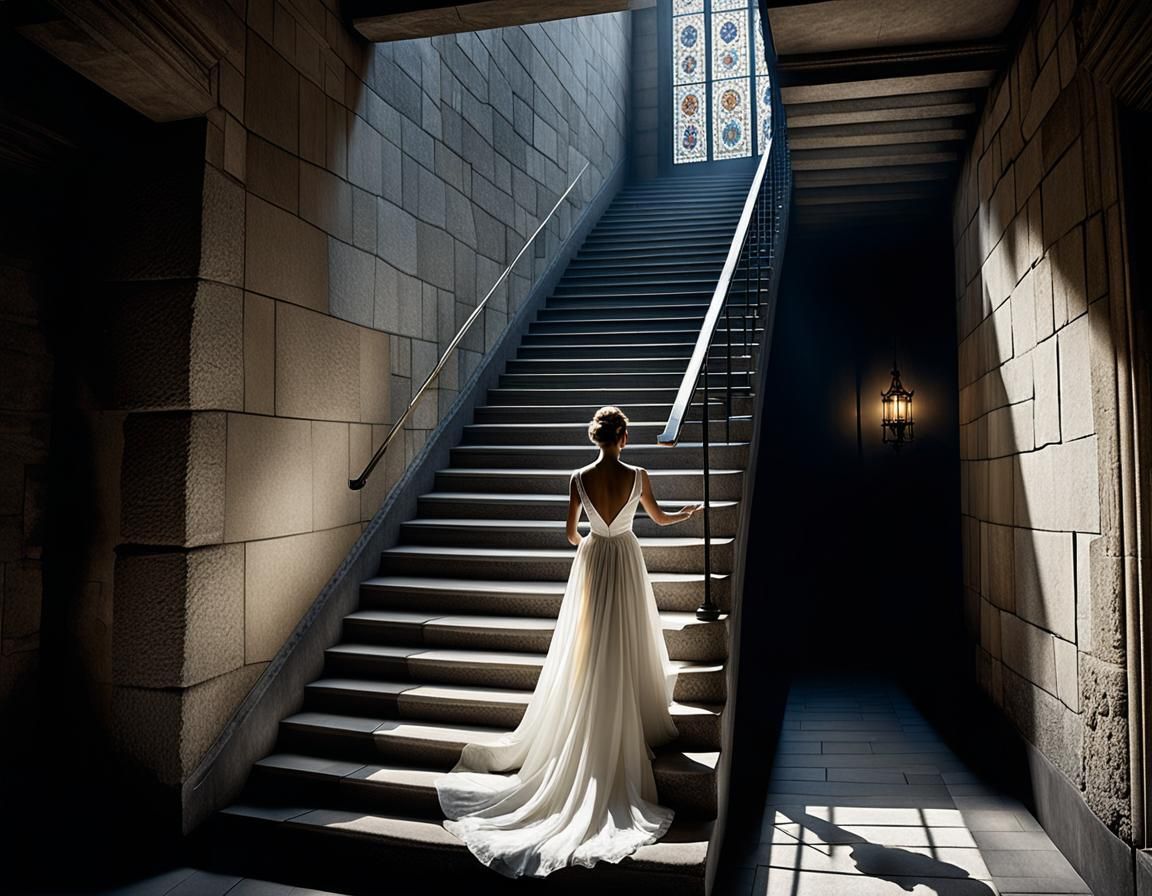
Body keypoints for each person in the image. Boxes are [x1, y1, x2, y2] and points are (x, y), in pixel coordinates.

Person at [434, 405, 705, 878]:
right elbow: (657, 520)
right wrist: (683, 514)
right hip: (624, 559)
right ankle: (627, 716)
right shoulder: (639, 475)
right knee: (626, 637)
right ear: (623, 438)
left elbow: (569, 533)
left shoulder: (577, 477)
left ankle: (593, 711)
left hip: (595, 562)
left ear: (596, 438)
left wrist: (593, 544)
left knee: (589, 645)